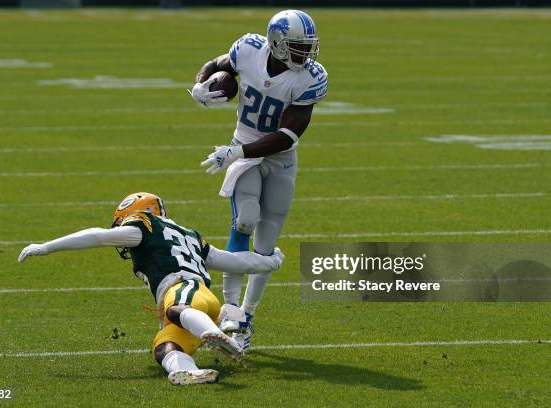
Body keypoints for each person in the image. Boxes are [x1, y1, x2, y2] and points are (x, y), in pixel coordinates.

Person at [18, 192, 284, 385]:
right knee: (164, 347)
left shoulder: (142, 226)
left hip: (185, 292)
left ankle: (216, 333)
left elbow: (98, 236)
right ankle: (188, 371)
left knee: (174, 309)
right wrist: (269, 262)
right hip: (204, 303)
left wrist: (46, 246)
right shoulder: (190, 235)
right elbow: (233, 260)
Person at [190, 9, 328, 351]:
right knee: (245, 220)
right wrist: (200, 84)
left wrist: (235, 153)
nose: (306, 53)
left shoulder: (310, 77)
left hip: (279, 159)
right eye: (298, 46)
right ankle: (230, 312)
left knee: (265, 246)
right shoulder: (249, 48)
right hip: (243, 152)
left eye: (307, 46)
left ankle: (246, 319)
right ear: (277, 43)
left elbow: (287, 135)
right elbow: (218, 64)